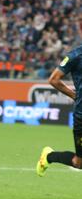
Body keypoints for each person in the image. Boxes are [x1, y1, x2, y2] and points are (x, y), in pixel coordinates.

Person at [36, 44, 82, 176]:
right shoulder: (75, 56)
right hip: (81, 116)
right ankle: (49, 156)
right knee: (79, 163)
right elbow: (54, 79)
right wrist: (74, 95)